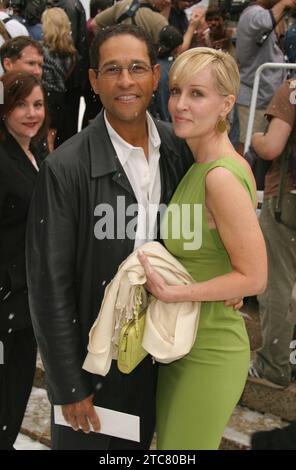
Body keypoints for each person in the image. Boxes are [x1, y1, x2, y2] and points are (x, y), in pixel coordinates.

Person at [25, 23, 194, 451]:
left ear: (156, 76)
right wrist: (68, 383)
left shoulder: (181, 150)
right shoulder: (65, 168)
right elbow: (49, 284)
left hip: (166, 353)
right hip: (97, 363)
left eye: (137, 68)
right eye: (112, 70)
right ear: (94, 81)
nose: (126, 82)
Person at [138, 47, 267, 450]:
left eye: (197, 94)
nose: (179, 104)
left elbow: (255, 276)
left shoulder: (220, 177)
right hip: (184, 342)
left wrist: (177, 292)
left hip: (209, 349)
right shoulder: (201, 165)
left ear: (227, 103)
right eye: (176, 91)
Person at [0, 70, 48, 450]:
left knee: (15, 393)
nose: (31, 113)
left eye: (38, 104)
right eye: (21, 105)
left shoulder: (36, 152)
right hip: (6, 300)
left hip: (27, 299)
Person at [249, 78, 296, 388]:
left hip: (288, 199)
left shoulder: (292, 90)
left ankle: (273, 366)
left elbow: (272, 147)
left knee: (277, 283)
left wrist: (256, 138)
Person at [235, 0, 296, 146]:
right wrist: (282, 4)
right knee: (247, 150)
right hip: (254, 99)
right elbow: (266, 22)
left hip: (265, 97)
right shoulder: (252, 13)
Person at [41, 7, 77, 151]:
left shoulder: (40, 49)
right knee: (53, 139)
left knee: (46, 142)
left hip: (44, 96)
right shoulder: (71, 53)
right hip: (60, 98)